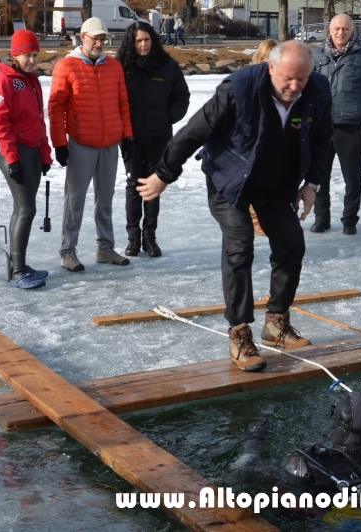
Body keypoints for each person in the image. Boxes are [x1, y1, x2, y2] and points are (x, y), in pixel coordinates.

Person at [137, 41, 332, 372]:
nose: (294, 86)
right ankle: (240, 333)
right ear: (271, 67)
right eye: (287, 78)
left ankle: (276, 323)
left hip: (275, 185)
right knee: (240, 242)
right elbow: (193, 132)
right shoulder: (239, 89)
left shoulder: (316, 89)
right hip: (229, 181)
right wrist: (162, 175)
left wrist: (311, 184)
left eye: (301, 78)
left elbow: (323, 137)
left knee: (291, 244)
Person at [48, 17, 133, 272]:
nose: (99, 42)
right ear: (82, 37)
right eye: (94, 37)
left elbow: (122, 104)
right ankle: (67, 250)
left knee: (105, 198)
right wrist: (60, 144)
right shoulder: (66, 66)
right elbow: (56, 107)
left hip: (109, 143)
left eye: (102, 38)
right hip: (81, 143)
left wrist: (127, 136)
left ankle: (105, 248)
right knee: (75, 199)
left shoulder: (114, 67)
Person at [0, 30, 52, 289]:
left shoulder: (31, 79)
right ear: (15, 54)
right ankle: (18, 271)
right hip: (14, 150)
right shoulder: (2, 81)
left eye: (35, 55)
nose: (32, 60)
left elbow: (38, 120)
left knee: (21, 208)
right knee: (27, 208)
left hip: (32, 149)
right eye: (26, 55)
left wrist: (45, 154)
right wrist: (12, 159)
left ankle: (18, 265)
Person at [117, 22, 190, 258]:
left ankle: (149, 237)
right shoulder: (121, 67)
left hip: (158, 136)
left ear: (153, 40)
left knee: (153, 185)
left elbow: (182, 97)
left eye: (147, 40)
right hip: (131, 137)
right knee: (133, 186)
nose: (143, 44)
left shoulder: (167, 66)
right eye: (138, 41)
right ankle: (132, 238)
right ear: (131, 42)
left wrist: (168, 116)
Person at [311, 13, 361, 235]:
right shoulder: (318, 54)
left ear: (352, 31)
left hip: (352, 128)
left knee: (352, 178)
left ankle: (349, 220)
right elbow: (309, 89)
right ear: (329, 30)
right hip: (322, 128)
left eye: (345, 29)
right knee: (318, 177)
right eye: (337, 29)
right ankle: (321, 219)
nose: (341, 32)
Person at [247, 37, 279, 237]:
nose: (269, 60)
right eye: (266, 56)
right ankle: (253, 219)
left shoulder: (282, 82)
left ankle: (268, 216)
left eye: (274, 56)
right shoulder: (249, 80)